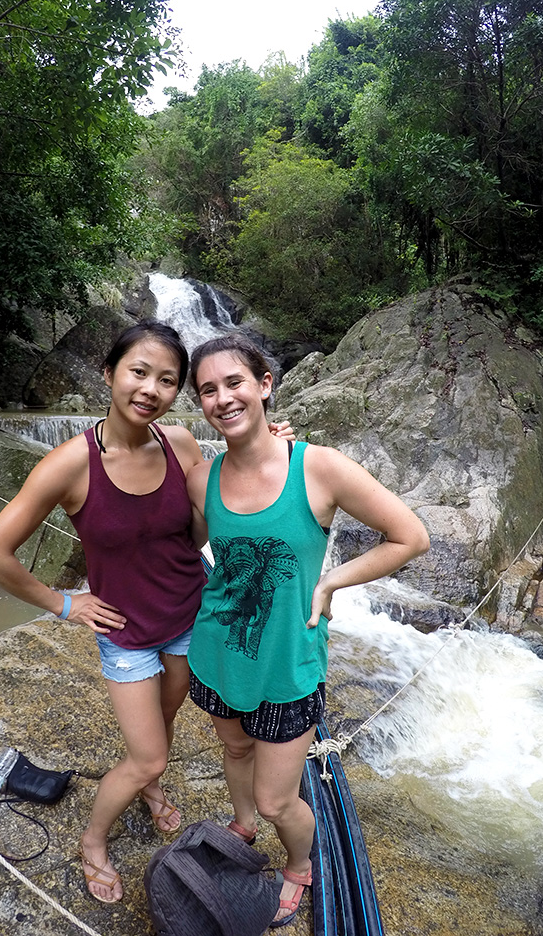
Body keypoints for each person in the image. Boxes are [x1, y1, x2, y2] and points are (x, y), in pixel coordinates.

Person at [0, 320, 292, 906]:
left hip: (189, 618)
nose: (150, 388)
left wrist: (269, 442)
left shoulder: (182, 445)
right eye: (138, 372)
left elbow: (216, 509)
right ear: (109, 374)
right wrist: (64, 601)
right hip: (126, 635)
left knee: (161, 731)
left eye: (167, 380)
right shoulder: (71, 464)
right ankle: (94, 841)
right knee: (148, 755)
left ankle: (150, 790)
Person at [186, 333, 430, 928]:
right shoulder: (201, 479)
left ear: (265, 385)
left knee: (278, 799)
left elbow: (410, 536)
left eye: (235, 382)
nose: (223, 398)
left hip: (288, 664)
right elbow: (187, 548)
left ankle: (300, 863)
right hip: (217, 652)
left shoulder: (317, 466)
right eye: (208, 390)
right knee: (234, 747)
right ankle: (241, 825)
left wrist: (329, 584)